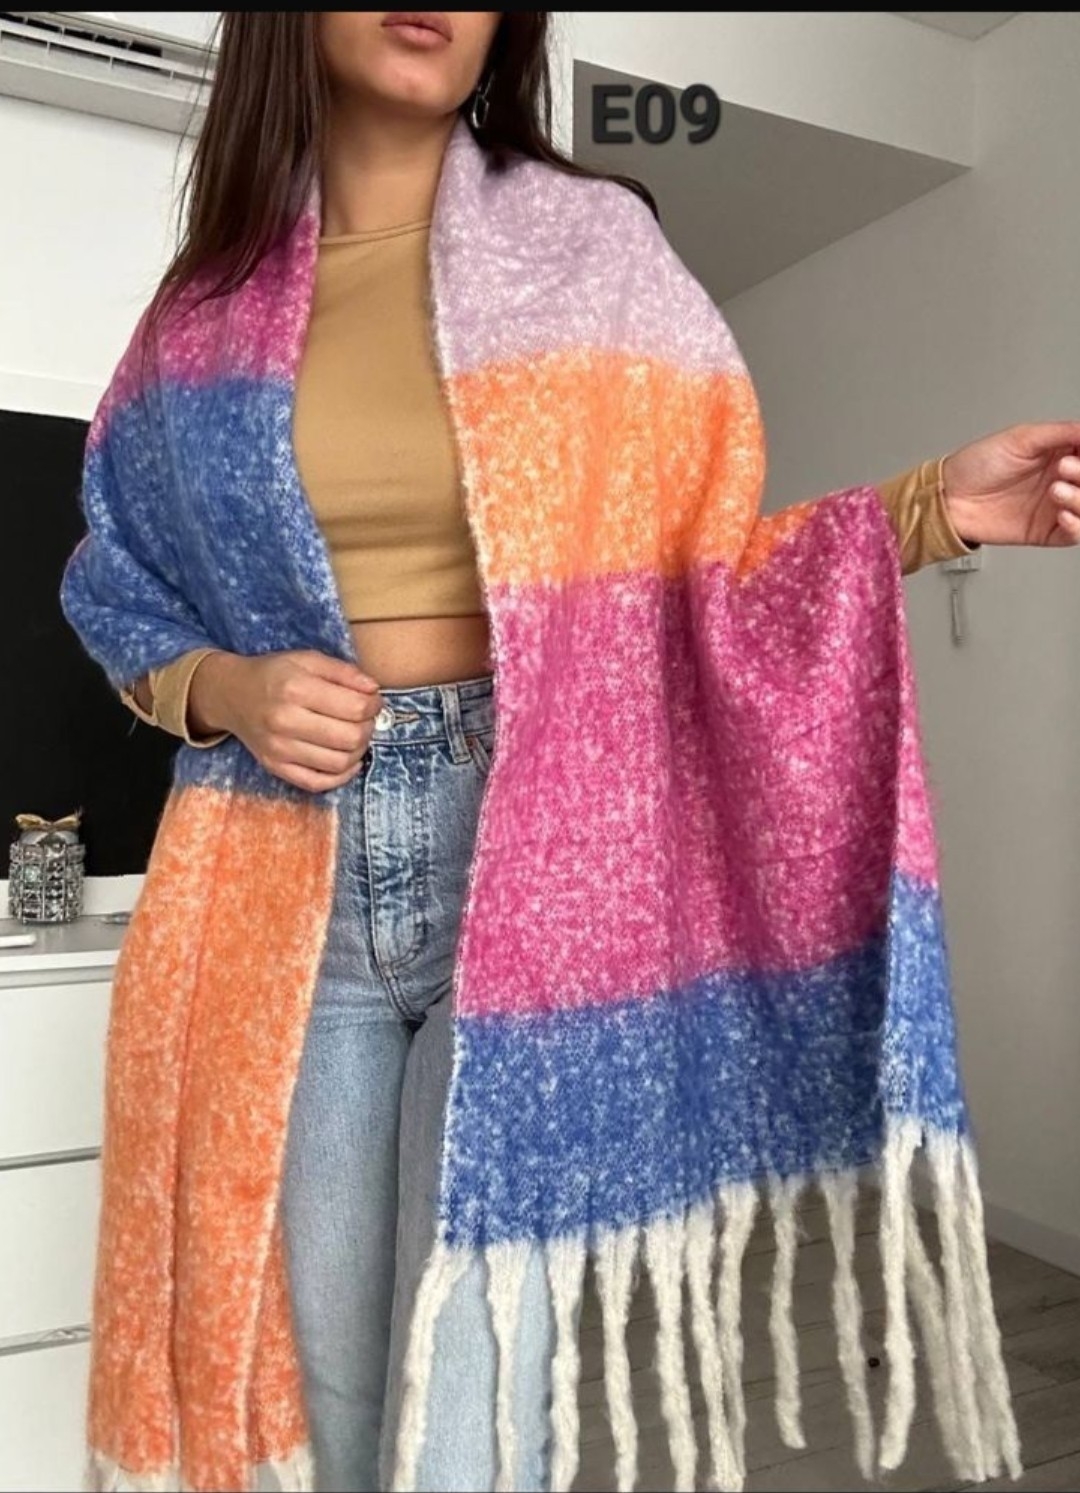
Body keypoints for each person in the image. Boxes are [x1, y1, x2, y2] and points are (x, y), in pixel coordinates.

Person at [63, 13, 1080, 1493]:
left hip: (538, 863)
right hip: (279, 886)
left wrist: (932, 507)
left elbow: (705, 581)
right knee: (324, 1391)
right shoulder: (199, 313)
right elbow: (116, 583)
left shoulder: (598, 252)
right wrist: (224, 684)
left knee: (468, 1401)